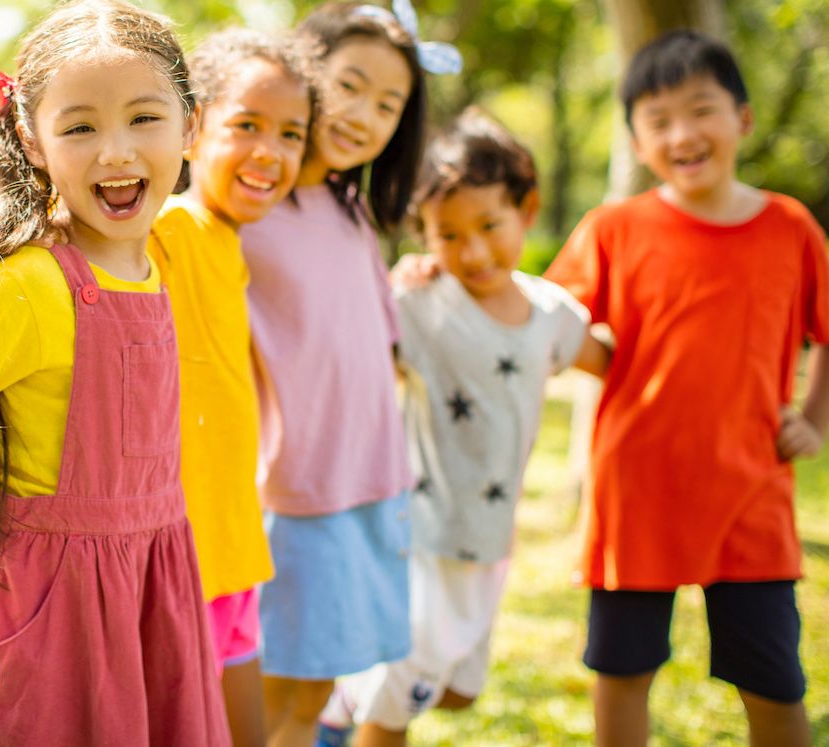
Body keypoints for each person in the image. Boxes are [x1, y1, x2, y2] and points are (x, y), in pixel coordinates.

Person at [0, 1, 227, 743]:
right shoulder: (31, 286)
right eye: (80, 127)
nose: (117, 152)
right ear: (32, 142)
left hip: (152, 583)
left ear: (191, 126)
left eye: (143, 118)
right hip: (51, 607)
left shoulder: (162, 254)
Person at [545, 30, 828, 747]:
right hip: (637, 495)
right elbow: (553, 327)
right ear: (637, 142)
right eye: (658, 120)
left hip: (751, 498)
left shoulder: (790, 227)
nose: (682, 133)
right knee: (622, 673)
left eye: (700, 109)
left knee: (774, 681)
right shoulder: (613, 228)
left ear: (743, 118)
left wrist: (815, 418)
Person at [317, 108, 610, 747]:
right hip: (416, 536)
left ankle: (341, 699)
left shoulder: (551, 315)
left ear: (527, 210)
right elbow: (346, 347)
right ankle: (339, 717)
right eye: (447, 235)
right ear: (423, 235)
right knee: (396, 700)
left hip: (488, 540)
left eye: (488, 226)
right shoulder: (418, 304)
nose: (472, 251)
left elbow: (615, 361)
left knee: (456, 692)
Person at [235, 4, 459, 744]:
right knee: (263, 705)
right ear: (305, 72)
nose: (364, 114)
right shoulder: (247, 206)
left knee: (315, 700)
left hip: (369, 486)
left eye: (388, 104)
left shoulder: (351, 209)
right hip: (291, 494)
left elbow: (354, 336)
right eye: (349, 85)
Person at [147, 28, 314, 746]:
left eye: (291, 134)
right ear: (193, 129)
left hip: (231, 550)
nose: (271, 152)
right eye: (246, 125)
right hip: (180, 563)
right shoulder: (169, 228)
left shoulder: (224, 241)